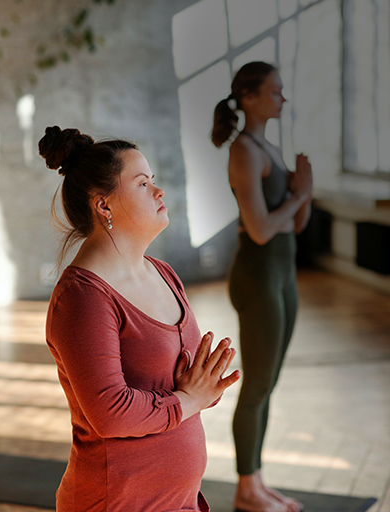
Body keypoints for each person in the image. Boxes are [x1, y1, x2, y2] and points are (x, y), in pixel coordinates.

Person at [38, 126, 241, 512]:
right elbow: (110, 413)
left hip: (178, 500)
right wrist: (187, 399)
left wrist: (197, 394)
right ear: (104, 205)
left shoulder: (163, 273)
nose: (159, 191)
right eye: (143, 183)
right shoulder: (83, 297)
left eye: (154, 181)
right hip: (115, 502)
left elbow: (194, 388)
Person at [211, 62, 312, 512]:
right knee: (255, 387)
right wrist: (297, 194)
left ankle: (257, 481)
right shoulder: (244, 151)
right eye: (274, 91)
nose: (282, 99)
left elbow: (295, 224)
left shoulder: (268, 147)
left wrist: (305, 192)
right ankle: (246, 489)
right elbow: (259, 230)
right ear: (249, 96)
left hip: (282, 274)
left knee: (267, 385)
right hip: (257, 278)